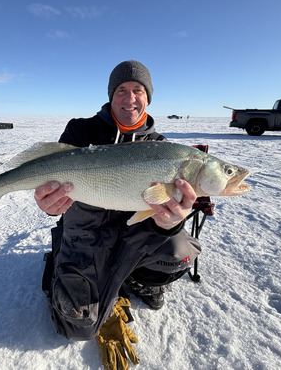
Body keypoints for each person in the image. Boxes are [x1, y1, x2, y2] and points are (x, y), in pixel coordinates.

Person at [35, 60, 201, 368]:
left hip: (134, 235)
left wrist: (170, 223)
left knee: (180, 249)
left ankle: (136, 279)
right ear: (111, 95)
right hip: (86, 233)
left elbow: (165, 218)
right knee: (77, 327)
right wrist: (48, 204)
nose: (129, 98)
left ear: (148, 97)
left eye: (138, 90)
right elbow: (50, 181)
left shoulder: (163, 149)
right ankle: (60, 258)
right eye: (121, 90)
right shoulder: (81, 130)